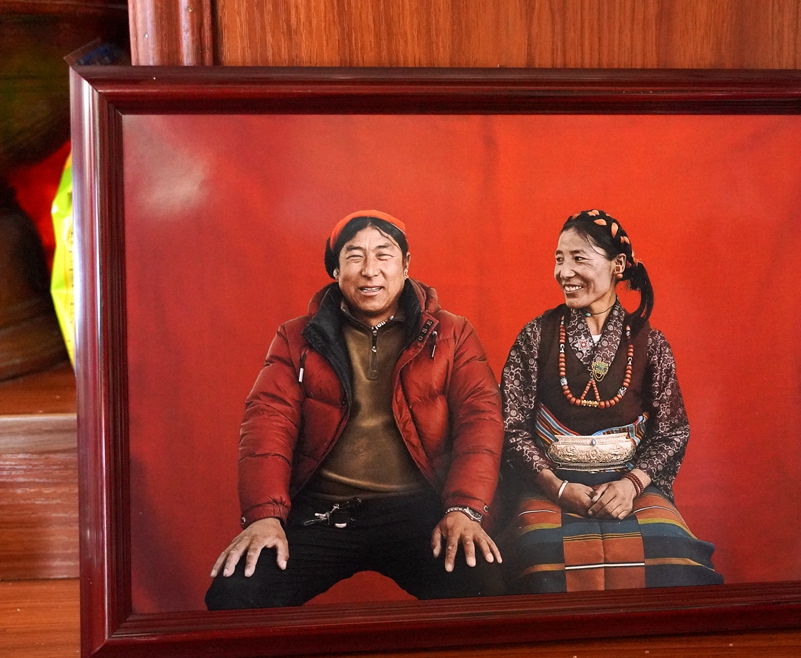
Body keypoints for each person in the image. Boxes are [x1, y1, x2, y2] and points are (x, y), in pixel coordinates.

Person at [206, 210, 504, 609]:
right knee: (235, 594)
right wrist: (265, 516)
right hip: (324, 510)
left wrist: (464, 509)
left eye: (383, 254)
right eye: (355, 256)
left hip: (420, 508)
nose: (370, 270)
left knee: (486, 586)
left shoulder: (452, 333)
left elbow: (481, 420)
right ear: (336, 270)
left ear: (406, 265)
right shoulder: (297, 337)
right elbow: (267, 423)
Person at [499, 209, 722, 593]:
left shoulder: (649, 343)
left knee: (675, 556)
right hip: (549, 484)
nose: (564, 272)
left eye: (578, 258)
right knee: (536, 559)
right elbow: (510, 425)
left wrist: (631, 485)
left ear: (618, 265)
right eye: (559, 259)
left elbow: (672, 431)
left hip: (628, 488)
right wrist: (558, 488)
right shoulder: (537, 337)